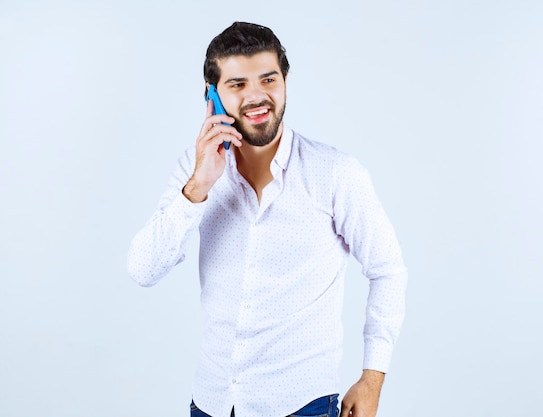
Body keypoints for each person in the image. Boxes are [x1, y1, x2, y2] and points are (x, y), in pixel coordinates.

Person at [127, 21, 407, 417]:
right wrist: (199, 186)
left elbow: (388, 270)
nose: (257, 96)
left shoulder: (336, 173)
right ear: (212, 95)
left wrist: (372, 377)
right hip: (211, 402)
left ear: (286, 81)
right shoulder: (194, 172)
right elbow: (142, 269)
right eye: (237, 84)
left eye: (268, 79)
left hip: (302, 405)